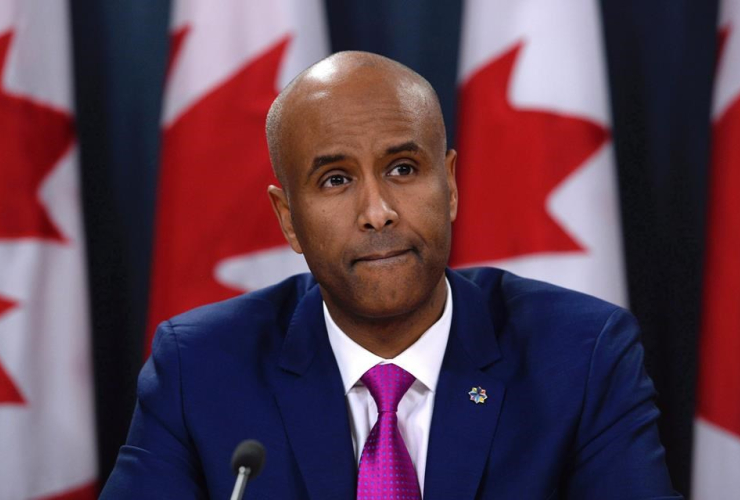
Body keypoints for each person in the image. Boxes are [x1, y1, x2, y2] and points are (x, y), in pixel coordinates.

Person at [100, 51, 680, 499]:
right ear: (289, 220)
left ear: (449, 185)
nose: (378, 211)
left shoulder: (581, 356)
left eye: (404, 168)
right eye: (335, 180)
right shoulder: (200, 369)